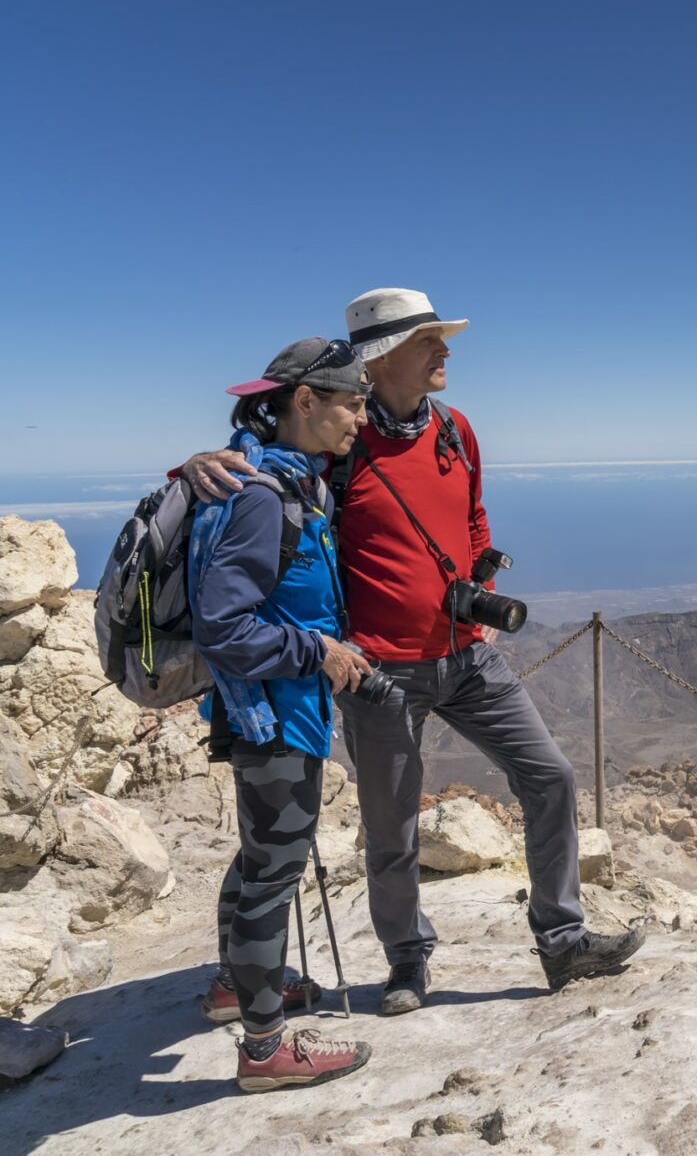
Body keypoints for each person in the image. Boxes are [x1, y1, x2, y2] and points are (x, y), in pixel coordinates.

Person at [185, 289, 642, 1014]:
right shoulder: (340, 444)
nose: (446, 351)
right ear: (382, 356)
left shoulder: (455, 429)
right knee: (392, 826)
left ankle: (563, 940)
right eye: (430, 339)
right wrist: (202, 462)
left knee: (550, 776)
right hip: (382, 671)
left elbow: (472, 514)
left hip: (469, 657)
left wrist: (479, 582)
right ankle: (407, 961)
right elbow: (268, 475)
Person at [189, 337, 376, 1092]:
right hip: (274, 712)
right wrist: (319, 652)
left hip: (266, 708)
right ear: (305, 402)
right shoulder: (263, 494)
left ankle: (238, 986)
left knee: (260, 855)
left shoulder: (282, 476)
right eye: (352, 402)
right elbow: (225, 626)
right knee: (274, 872)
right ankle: (265, 1050)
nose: (362, 417)